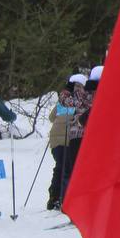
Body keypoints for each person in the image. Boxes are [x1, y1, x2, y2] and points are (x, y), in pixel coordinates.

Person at [47, 74, 88, 210]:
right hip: (67, 138)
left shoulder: (63, 100)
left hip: (56, 139)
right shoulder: (80, 101)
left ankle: (55, 196)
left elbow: (51, 117)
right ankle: (59, 198)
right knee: (65, 168)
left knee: (61, 167)